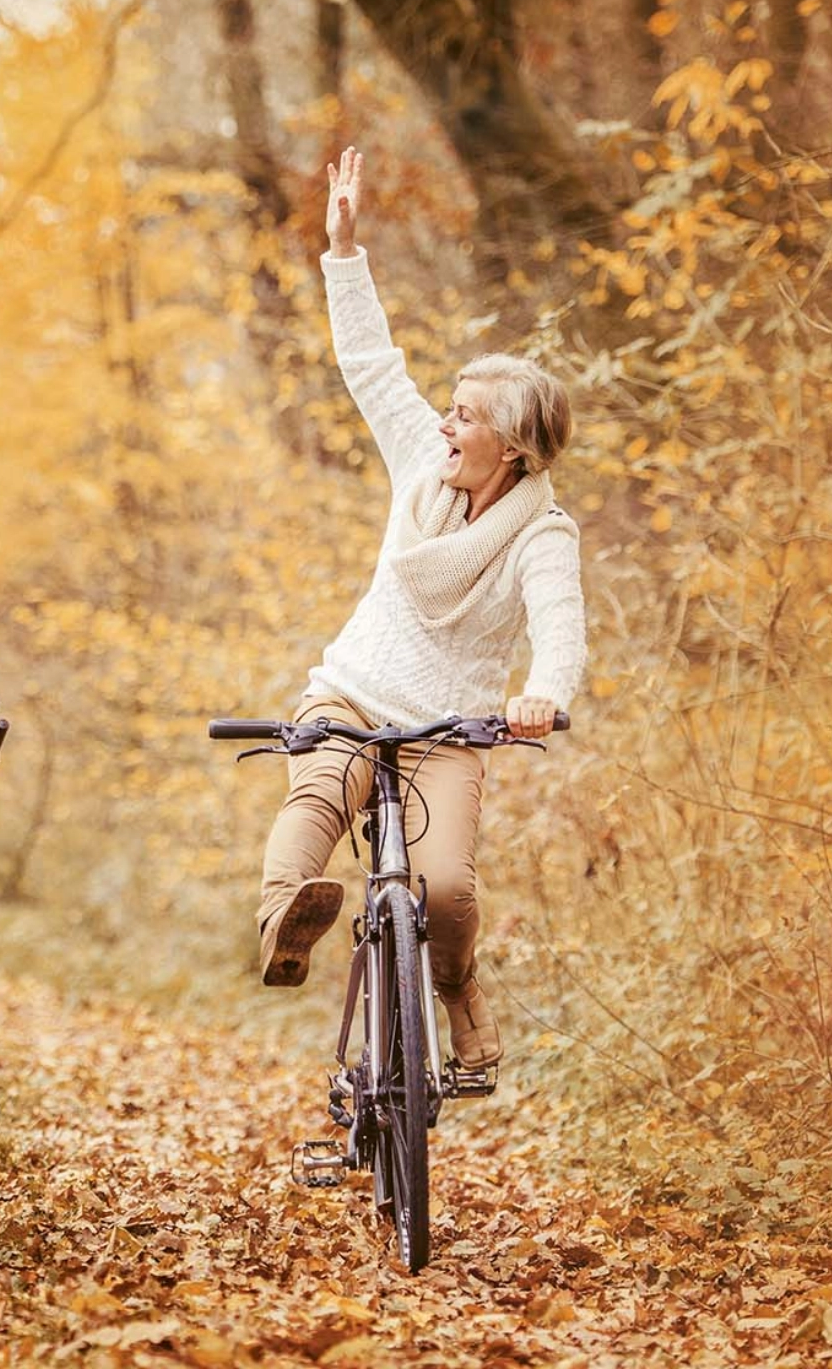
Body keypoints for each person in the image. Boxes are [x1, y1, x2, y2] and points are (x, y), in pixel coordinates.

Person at [256, 148, 587, 1068]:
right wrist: (344, 246)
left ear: (513, 448)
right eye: (448, 408)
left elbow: (559, 623)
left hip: (452, 728)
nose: (445, 423)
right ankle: (286, 919)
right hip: (354, 696)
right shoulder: (421, 463)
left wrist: (542, 691)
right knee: (318, 794)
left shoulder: (541, 535)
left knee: (443, 890)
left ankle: (455, 989)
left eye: (467, 415)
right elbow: (369, 360)